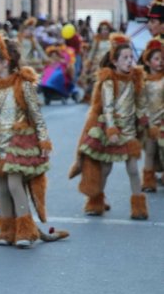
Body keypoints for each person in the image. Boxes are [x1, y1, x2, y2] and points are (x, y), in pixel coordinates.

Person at [0, 32, 68, 248]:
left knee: (15, 183)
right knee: (2, 186)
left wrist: (44, 142)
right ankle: (7, 231)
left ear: (6, 62)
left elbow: (37, 117)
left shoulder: (23, 85)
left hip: (19, 145)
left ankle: (26, 231)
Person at [69, 34, 148, 220]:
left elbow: (140, 102)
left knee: (133, 169)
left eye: (131, 58)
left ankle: (138, 207)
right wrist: (111, 129)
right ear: (114, 61)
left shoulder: (136, 79)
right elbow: (109, 108)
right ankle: (96, 201)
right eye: (125, 58)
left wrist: (144, 119)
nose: (130, 62)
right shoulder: (108, 82)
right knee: (105, 169)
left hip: (129, 131)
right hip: (111, 130)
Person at [139, 39, 163, 192]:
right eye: (156, 59)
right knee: (150, 151)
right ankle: (148, 181)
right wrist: (145, 119)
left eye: (162, 59)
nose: (160, 62)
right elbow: (141, 102)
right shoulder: (144, 82)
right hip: (150, 123)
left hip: (163, 122)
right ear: (147, 62)